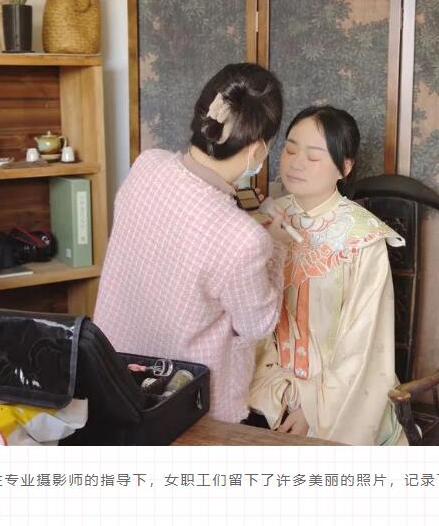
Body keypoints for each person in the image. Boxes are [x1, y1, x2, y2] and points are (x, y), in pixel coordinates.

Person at [94, 63, 292, 422]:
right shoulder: (245, 240)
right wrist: (276, 246)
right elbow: (257, 324)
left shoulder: (146, 165)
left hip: (112, 375)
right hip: (184, 401)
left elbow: (179, 236)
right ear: (256, 152)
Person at [247, 105, 407, 445]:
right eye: (290, 149)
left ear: (344, 167)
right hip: (267, 385)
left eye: (314, 156)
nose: (296, 163)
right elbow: (250, 321)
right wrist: (278, 391)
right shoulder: (264, 220)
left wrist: (312, 407)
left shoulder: (363, 238)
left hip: (341, 397)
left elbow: (363, 345)